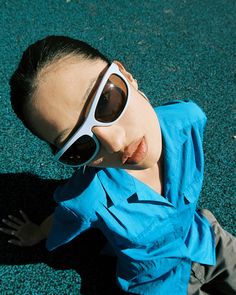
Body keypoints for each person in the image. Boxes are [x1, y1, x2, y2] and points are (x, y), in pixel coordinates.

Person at [0, 35, 235, 295]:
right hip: (157, 282)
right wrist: (37, 233)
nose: (114, 142)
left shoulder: (188, 119)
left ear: (126, 75)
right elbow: (62, 220)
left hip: (204, 239)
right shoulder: (88, 198)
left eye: (105, 101)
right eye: (79, 145)